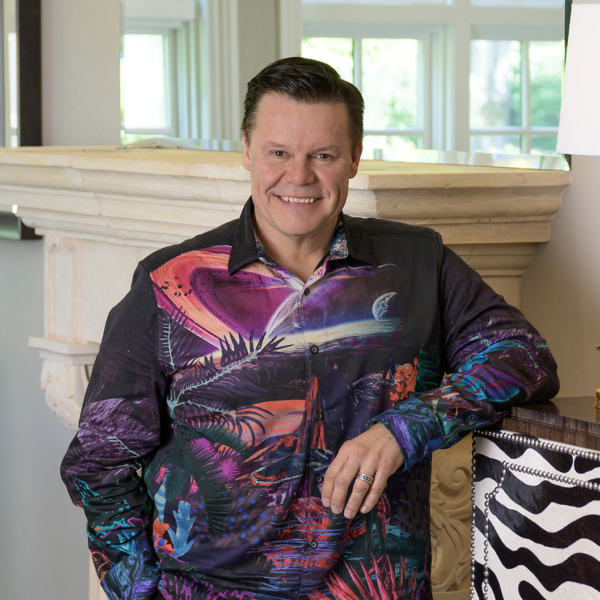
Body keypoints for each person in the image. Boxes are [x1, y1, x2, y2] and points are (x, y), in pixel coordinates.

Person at [60, 57, 559, 600]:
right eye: (278, 153)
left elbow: (523, 356)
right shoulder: (169, 283)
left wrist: (404, 429)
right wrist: (141, 594)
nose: (299, 176)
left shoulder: (417, 264)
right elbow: (99, 461)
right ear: (247, 150)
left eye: (323, 155)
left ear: (354, 158)